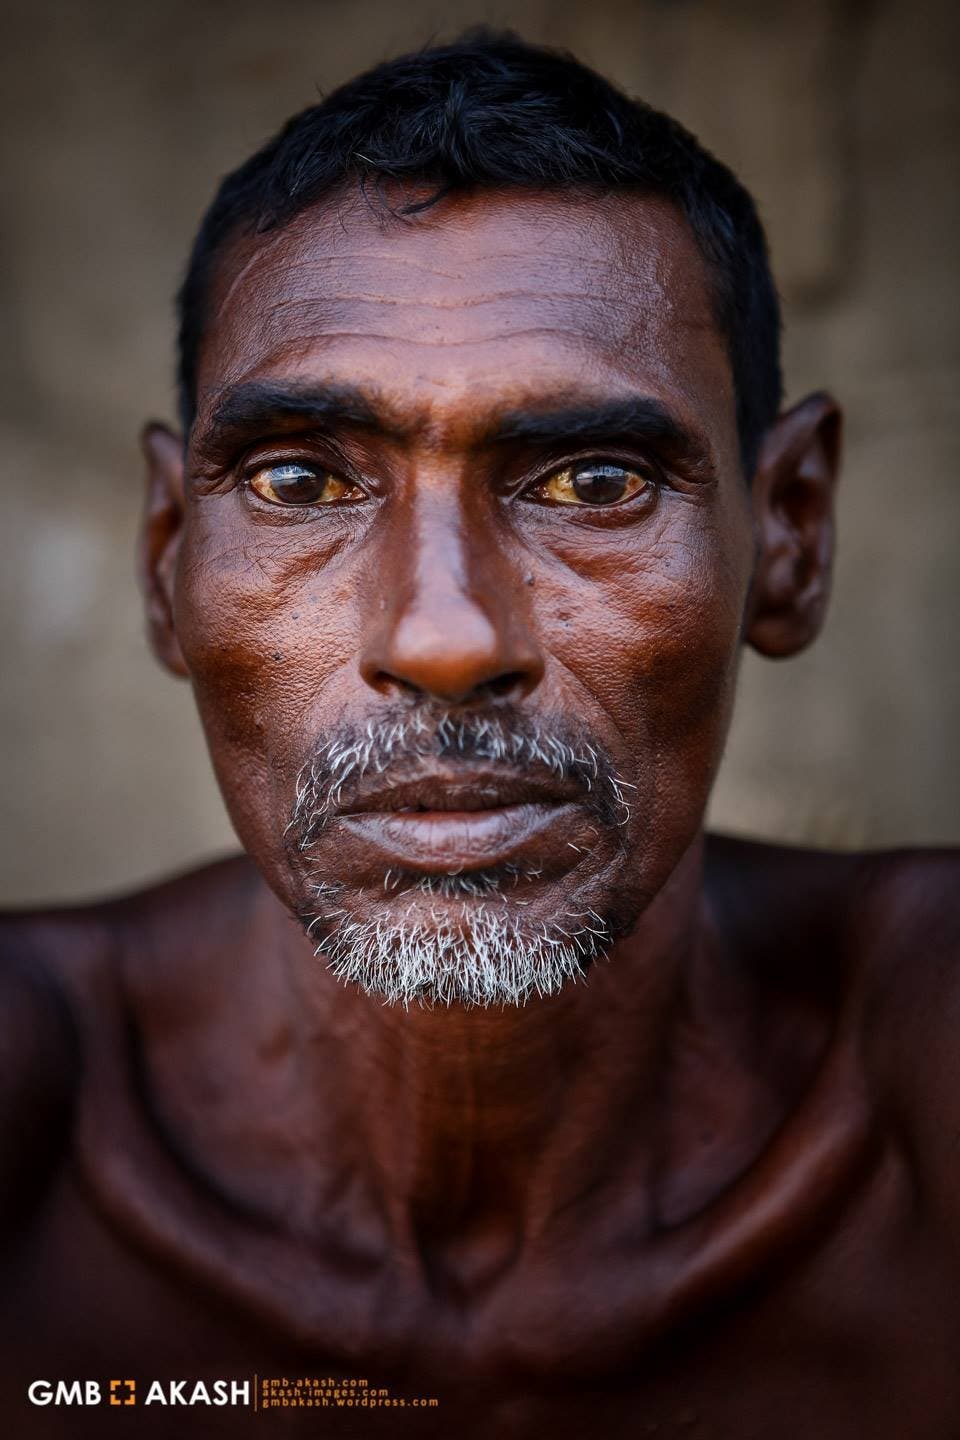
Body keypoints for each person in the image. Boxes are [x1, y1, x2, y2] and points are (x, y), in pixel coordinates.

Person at [2, 30, 958, 1439]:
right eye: (297, 480)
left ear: (793, 535)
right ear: (166, 558)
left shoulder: (916, 1063)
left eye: (591, 478)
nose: (444, 638)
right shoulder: (38, 1103)